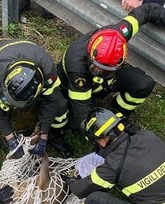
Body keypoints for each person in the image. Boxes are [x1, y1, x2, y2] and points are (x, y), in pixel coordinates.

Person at [49, 108, 165, 204]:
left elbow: (80, 190)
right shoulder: (148, 136)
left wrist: (70, 180)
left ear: (103, 140)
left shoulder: (112, 166)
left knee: (95, 201)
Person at [56, 3, 165, 131]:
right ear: (91, 52)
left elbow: (147, 11)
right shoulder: (76, 65)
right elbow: (82, 110)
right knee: (77, 125)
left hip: (106, 80)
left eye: (105, 70)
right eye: (96, 68)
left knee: (144, 84)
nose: (99, 72)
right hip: (76, 88)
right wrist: (104, 132)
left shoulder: (121, 33)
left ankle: (117, 112)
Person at [0, 39, 71, 171]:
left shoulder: (48, 72)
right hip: (3, 54)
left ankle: (55, 135)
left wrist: (44, 135)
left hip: (32, 54)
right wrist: (10, 138)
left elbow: (50, 103)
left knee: (60, 106)